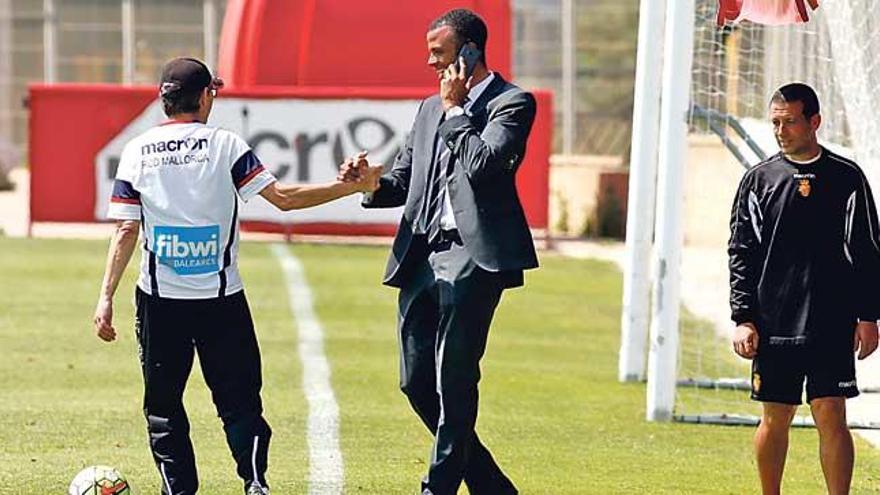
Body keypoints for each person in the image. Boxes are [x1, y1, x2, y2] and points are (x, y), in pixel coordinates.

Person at [92, 57, 380, 495]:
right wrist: (348, 187)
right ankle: (255, 482)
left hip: (159, 301)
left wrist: (106, 297)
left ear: (163, 99)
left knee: (163, 408)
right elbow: (282, 199)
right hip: (221, 301)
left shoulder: (136, 150)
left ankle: (179, 490)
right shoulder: (226, 145)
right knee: (239, 401)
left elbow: (126, 228)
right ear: (206, 95)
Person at [341, 9, 537, 495]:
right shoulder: (429, 109)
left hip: (474, 257)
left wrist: (456, 110)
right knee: (416, 383)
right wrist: (368, 182)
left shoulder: (512, 103)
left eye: (439, 53)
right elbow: (403, 182)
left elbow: (483, 165)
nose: (430, 63)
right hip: (421, 256)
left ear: (469, 52)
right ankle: (491, 485)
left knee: (455, 379)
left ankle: (439, 486)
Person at [729, 82, 880, 495]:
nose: (781, 131)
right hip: (773, 319)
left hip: (831, 319)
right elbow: (741, 253)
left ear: (814, 121)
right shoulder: (758, 181)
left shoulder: (847, 179)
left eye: (790, 122)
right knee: (775, 415)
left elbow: (867, 250)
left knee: (831, 412)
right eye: (775, 122)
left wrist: (869, 316)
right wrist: (743, 317)